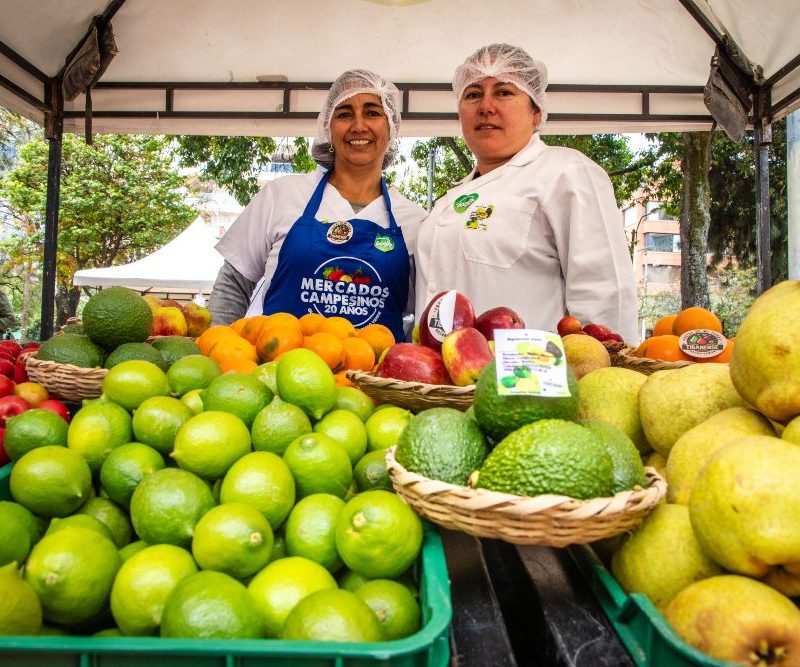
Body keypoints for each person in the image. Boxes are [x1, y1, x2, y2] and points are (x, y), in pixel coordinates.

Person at [415, 44, 638, 343]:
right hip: (442, 383)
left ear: (536, 112)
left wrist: (603, 374)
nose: (486, 106)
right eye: (473, 94)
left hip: (526, 381)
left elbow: (605, 293)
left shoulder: (566, 172)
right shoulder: (449, 201)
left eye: (504, 92)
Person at [209, 69, 425, 342]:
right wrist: (218, 351)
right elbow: (233, 285)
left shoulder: (416, 221)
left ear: (391, 126)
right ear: (327, 126)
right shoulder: (283, 195)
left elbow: (423, 316)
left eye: (372, 113)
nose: (359, 126)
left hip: (376, 382)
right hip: (279, 375)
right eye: (344, 114)